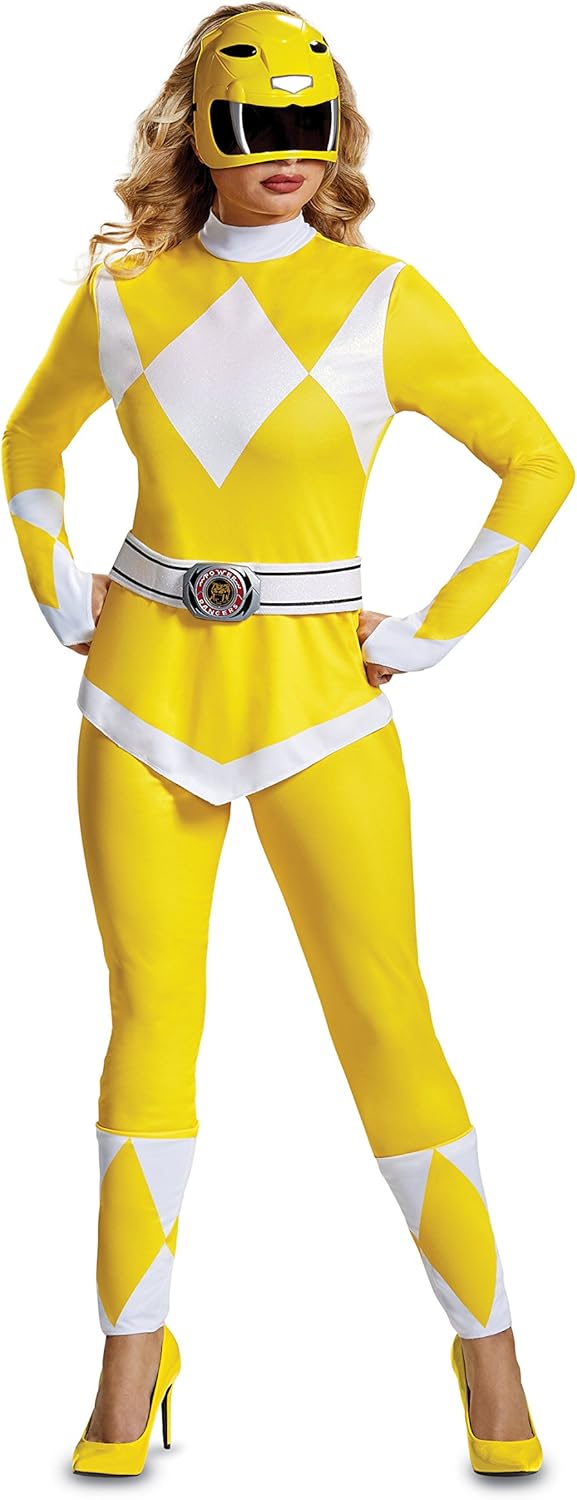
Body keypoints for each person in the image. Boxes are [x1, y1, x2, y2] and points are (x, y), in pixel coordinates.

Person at [2, 1, 573, 1480]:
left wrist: (434, 629)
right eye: (253, 124)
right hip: (141, 701)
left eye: (308, 126)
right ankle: (132, 1361)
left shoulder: (385, 301)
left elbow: (535, 460)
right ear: (196, 126)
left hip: (321, 706)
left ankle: (490, 1353)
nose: (283, 154)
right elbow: (29, 442)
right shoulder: (125, 296)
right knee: (148, 1024)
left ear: (337, 131)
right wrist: (56, 588)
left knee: (386, 1019)